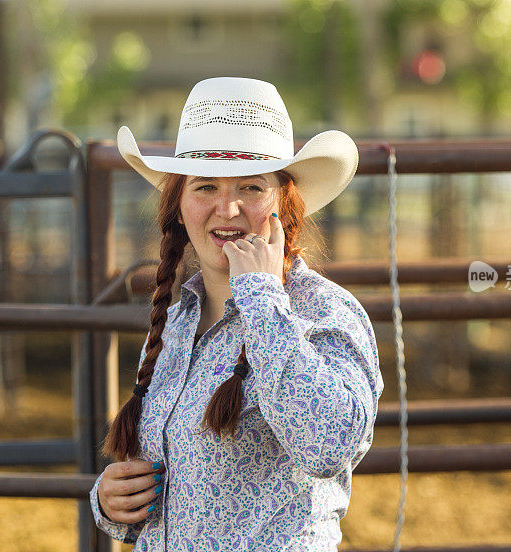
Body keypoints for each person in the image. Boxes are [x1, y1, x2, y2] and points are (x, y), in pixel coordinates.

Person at [89, 76, 383, 551]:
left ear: (283, 204)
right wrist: (111, 503)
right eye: (205, 186)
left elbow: (328, 446)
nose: (227, 208)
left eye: (251, 186)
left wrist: (261, 298)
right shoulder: (178, 317)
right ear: (179, 207)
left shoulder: (324, 312)